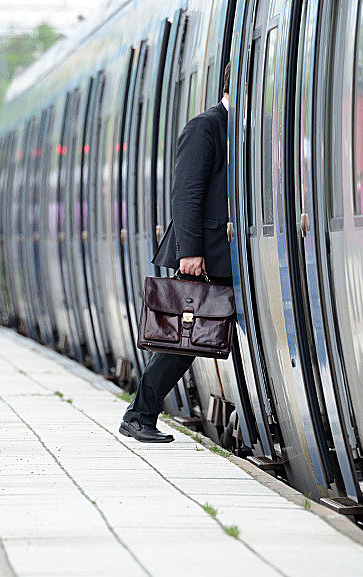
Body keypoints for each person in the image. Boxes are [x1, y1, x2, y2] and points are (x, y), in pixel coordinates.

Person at [120, 64, 233, 443]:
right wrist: (191, 252)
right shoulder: (206, 125)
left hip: (225, 253)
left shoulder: (242, 128)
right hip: (207, 254)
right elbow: (186, 193)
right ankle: (139, 415)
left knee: (189, 341)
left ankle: (140, 414)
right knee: (183, 342)